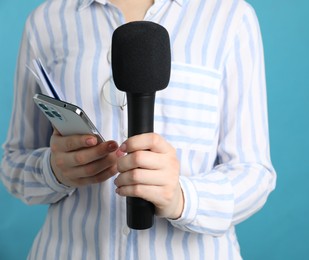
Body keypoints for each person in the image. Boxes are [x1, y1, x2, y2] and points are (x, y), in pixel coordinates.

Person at [0, 0, 276, 259]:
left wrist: (182, 198)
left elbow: (254, 172)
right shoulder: (45, 22)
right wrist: (54, 170)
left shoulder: (230, 16)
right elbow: (13, 162)